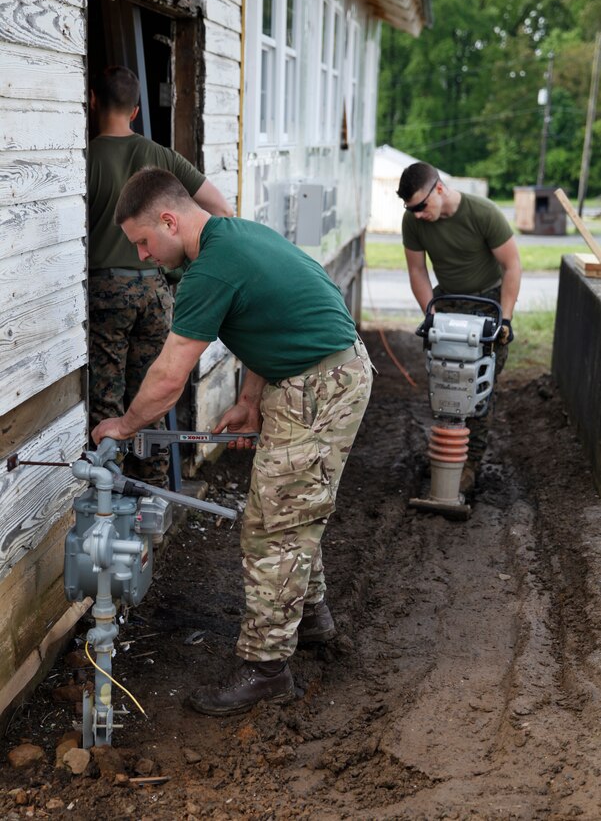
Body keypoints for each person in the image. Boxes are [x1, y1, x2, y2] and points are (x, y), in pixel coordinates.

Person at [91, 167, 373, 715]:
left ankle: (266, 668)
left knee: (274, 528)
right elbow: (270, 324)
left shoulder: (210, 271)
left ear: (169, 221)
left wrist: (123, 426)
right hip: (310, 373)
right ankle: (311, 620)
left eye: (144, 242)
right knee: (286, 510)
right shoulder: (231, 235)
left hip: (321, 386)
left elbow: (169, 377)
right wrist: (248, 400)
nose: (144, 256)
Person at [88, 65, 233, 487]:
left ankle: (109, 493)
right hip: (154, 292)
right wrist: (187, 269)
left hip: (105, 293)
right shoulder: (161, 157)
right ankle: (152, 493)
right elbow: (221, 209)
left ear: (93, 101)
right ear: (135, 111)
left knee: (106, 397)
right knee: (151, 390)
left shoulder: (83, 157)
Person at [397, 162, 521, 493]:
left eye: (421, 206)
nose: (417, 215)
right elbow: (417, 271)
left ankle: (469, 465)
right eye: (411, 209)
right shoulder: (413, 221)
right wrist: (431, 313)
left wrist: (505, 319)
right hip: (448, 303)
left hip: (487, 303)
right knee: (446, 381)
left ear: (439, 188)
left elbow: (512, 266)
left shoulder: (483, 213)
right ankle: (445, 455)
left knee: (477, 390)